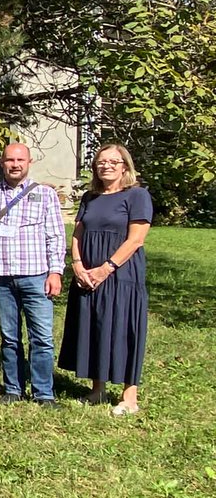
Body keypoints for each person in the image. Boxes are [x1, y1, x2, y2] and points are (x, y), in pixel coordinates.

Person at [59, 144, 152, 415]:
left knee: (123, 329)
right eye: (101, 162)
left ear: (125, 165)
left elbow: (136, 239)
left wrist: (106, 268)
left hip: (121, 273)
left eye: (113, 161)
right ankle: (97, 389)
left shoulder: (137, 195)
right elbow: (78, 233)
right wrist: (77, 264)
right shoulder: (91, 197)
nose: (106, 166)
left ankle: (129, 397)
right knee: (93, 326)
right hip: (87, 272)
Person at [0, 143, 66, 407]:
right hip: (1, 278)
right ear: (1, 163)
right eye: (9, 160)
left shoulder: (45, 194)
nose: (15, 164)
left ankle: (43, 392)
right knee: (10, 337)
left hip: (36, 276)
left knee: (42, 338)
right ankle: (13, 388)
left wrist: (55, 272)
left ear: (29, 162)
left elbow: (56, 236)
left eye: (20, 160)